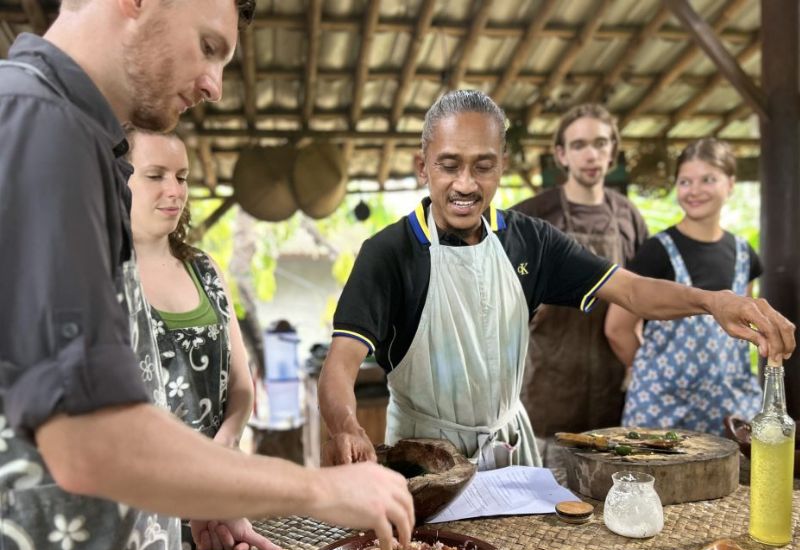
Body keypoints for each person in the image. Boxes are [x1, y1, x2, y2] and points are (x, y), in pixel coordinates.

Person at [0, 1, 413, 550]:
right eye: (209, 47)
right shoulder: (41, 124)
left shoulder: (85, 145)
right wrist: (322, 490)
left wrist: (203, 490)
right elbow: (92, 443)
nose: (215, 87)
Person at [317, 90, 795, 473]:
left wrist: (715, 301)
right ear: (423, 167)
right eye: (449, 165)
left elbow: (630, 290)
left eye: (483, 165)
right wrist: (345, 425)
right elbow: (340, 364)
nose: (466, 184)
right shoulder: (388, 254)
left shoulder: (531, 242)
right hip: (421, 462)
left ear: (501, 165)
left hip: (510, 453)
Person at [126, 127, 282, 550]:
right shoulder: (103, 282)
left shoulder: (205, 270)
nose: (174, 191)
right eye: (155, 175)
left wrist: (225, 446)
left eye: (182, 177)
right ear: (118, 181)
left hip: (216, 508)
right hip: (141, 513)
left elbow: (240, 382)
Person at [605, 139, 763, 435]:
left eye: (708, 179)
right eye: (685, 181)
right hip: (663, 410)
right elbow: (618, 328)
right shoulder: (656, 251)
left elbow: (746, 332)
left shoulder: (745, 254)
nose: (694, 190)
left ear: (730, 184)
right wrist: (656, 376)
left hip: (729, 409)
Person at [512, 104, 648, 441]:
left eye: (600, 143)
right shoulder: (532, 216)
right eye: (579, 145)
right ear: (561, 155)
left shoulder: (628, 218)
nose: (591, 154)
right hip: (545, 387)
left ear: (612, 151)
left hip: (612, 390)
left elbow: (643, 301)